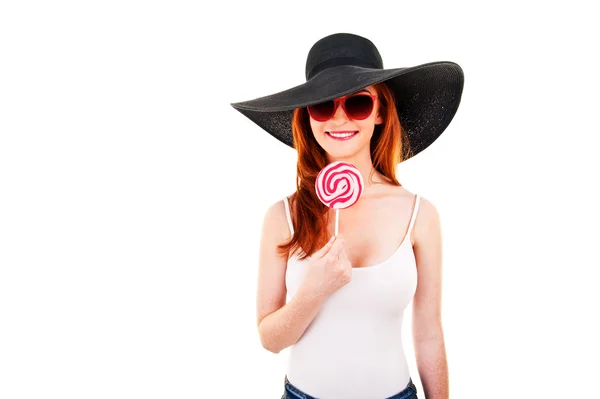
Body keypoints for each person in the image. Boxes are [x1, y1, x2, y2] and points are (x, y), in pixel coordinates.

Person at [231, 33, 464, 399]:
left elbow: (429, 332)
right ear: (308, 117)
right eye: (323, 105)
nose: (339, 118)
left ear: (381, 112)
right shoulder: (282, 217)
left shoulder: (420, 214)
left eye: (357, 103)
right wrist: (313, 291)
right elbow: (270, 340)